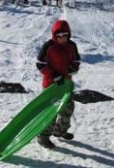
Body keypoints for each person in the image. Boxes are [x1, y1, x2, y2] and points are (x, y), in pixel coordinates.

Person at [36, 19, 80, 149]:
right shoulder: (48, 46)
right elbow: (40, 64)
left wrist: (74, 68)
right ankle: (43, 136)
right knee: (51, 112)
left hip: (66, 84)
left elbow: (76, 60)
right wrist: (55, 76)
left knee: (68, 109)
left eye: (64, 35)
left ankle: (59, 131)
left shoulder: (72, 45)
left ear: (68, 34)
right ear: (54, 35)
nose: (61, 38)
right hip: (51, 85)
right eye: (58, 35)